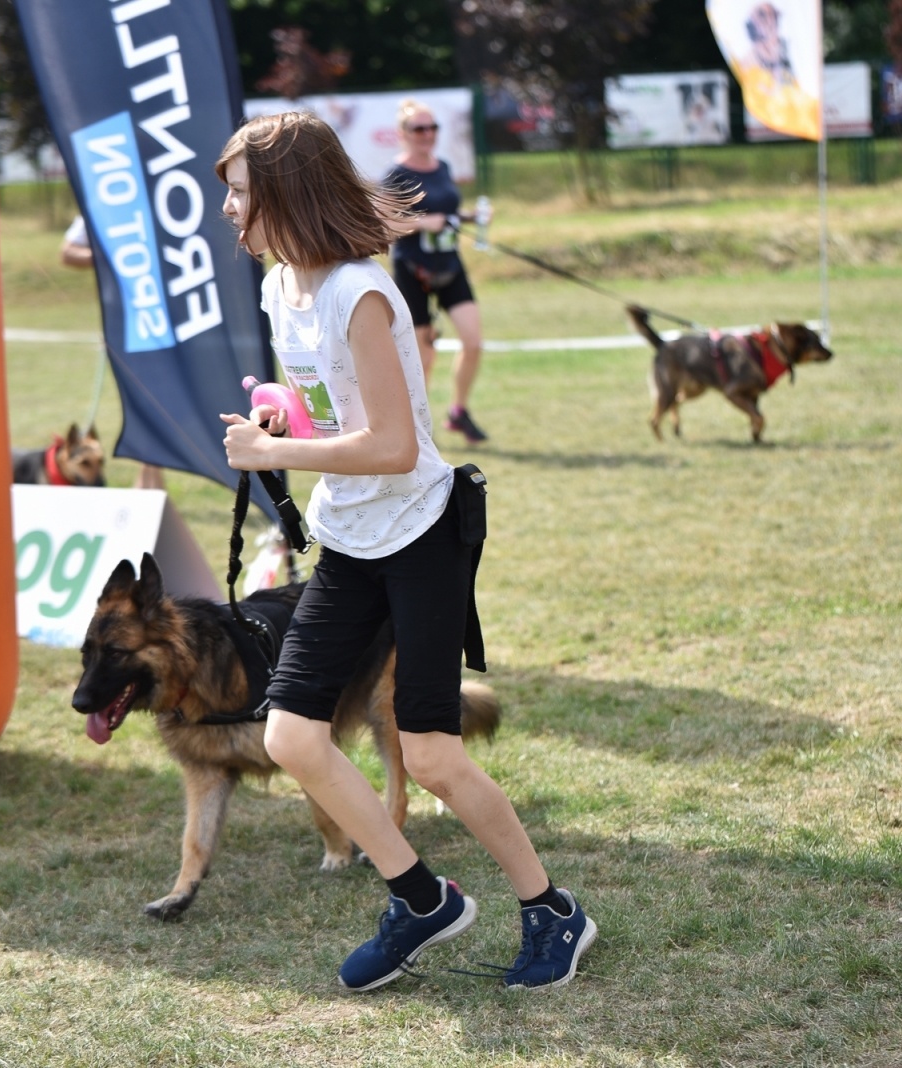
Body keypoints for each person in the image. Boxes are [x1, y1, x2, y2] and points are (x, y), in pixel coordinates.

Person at [214, 111, 596, 991]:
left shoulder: (362, 292)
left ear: (287, 193)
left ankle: (553, 912)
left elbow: (392, 446)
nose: (229, 210)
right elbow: (326, 412)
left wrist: (273, 454)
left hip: (422, 535)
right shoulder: (280, 288)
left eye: (239, 194)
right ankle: (421, 900)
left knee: (430, 756)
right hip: (349, 537)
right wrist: (280, 415)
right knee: (291, 736)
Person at [382, 100, 492, 445]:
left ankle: (458, 412)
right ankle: (416, 426)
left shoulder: (442, 166)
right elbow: (384, 225)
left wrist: (471, 217)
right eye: (419, 129)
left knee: (473, 341)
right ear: (403, 133)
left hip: (449, 264)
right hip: (413, 270)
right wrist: (420, 222)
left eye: (432, 127)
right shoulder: (396, 175)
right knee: (423, 357)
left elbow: (447, 212)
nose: (427, 134)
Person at [60, 215, 167, 489]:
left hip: (162, 315)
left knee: (155, 400)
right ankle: (148, 482)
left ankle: (150, 481)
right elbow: (68, 252)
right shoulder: (105, 203)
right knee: (141, 400)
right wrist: (112, 257)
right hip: (125, 321)